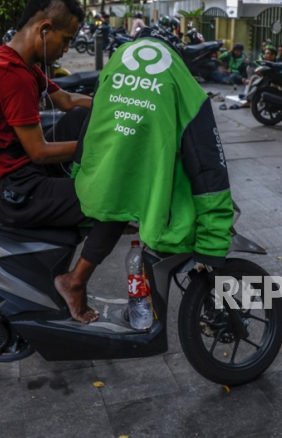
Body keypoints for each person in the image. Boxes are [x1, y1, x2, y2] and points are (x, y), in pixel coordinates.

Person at [0, 0, 124, 324]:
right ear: (44, 29)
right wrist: (99, 150)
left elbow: (68, 102)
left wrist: (120, 111)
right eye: (65, 40)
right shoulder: (12, 75)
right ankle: (73, 281)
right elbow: (38, 151)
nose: (65, 50)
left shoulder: (20, 60)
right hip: (6, 187)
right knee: (117, 197)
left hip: (13, 168)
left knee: (80, 119)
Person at [64, 26, 234, 323]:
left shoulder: (115, 63)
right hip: (151, 193)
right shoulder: (184, 83)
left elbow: (90, 131)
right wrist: (212, 241)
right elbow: (208, 164)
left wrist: (80, 178)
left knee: (113, 209)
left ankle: (80, 279)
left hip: (103, 182)